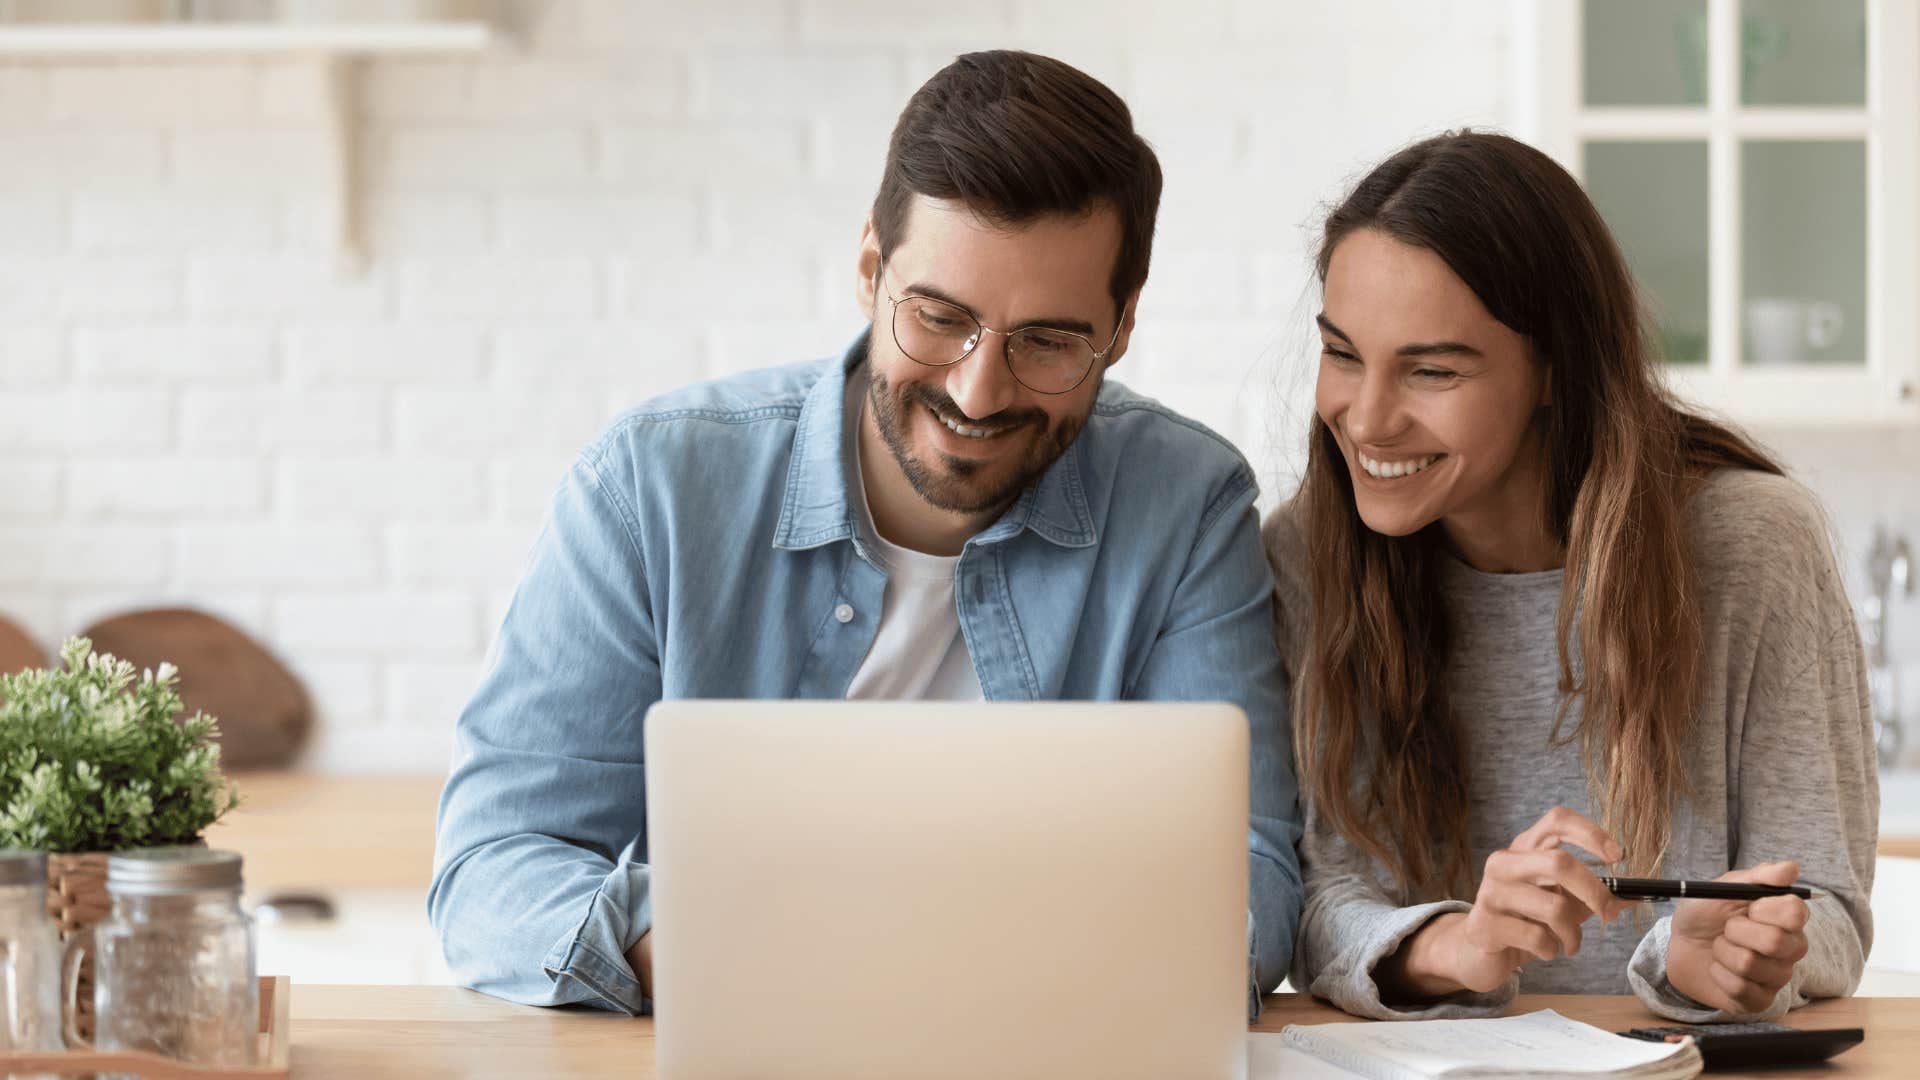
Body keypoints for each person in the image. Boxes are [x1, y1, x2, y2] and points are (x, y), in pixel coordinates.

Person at [430, 50, 1303, 1017]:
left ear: (1123, 325)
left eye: (1048, 342)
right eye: (939, 318)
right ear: (869, 272)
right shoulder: (651, 488)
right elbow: (491, 866)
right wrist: (696, 950)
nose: (979, 390)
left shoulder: (1187, 505)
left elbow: (1248, 876)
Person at [1264, 131, 1876, 1023]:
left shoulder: (1753, 546)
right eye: (1343, 354)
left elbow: (1825, 902)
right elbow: (1320, 900)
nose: (1367, 419)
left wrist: (1722, 959)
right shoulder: (1307, 552)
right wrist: (1462, 944)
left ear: (1557, 370)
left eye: (1431, 370)